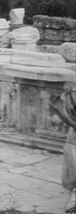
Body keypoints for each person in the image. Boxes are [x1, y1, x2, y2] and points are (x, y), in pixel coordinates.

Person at [49, 83, 76, 213]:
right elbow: (71, 110)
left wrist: (57, 110)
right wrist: (69, 95)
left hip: (73, 149)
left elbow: (69, 120)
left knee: (73, 177)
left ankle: (72, 203)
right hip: (71, 147)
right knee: (70, 177)